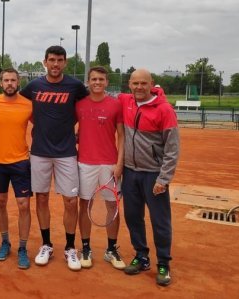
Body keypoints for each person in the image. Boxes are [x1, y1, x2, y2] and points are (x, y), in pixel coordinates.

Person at [19, 45, 88, 271]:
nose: (55, 64)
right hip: (39, 152)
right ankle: (46, 244)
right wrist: (38, 126)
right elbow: (20, 106)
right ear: (45, 62)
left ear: (65, 63)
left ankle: (70, 247)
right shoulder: (34, 86)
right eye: (51, 60)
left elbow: (88, 105)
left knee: (70, 201)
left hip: (67, 152)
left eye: (59, 60)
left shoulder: (75, 86)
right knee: (41, 198)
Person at [118, 69, 179, 286]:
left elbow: (172, 150)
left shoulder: (164, 109)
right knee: (133, 217)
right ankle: (142, 256)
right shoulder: (125, 101)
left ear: (151, 84)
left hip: (153, 174)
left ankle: (163, 262)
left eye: (143, 83)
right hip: (130, 172)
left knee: (160, 221)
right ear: (129, 85)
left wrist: (163, 179)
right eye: (135, 83)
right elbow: (97, 92)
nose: (139, 87)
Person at [0, 68, 33, 269]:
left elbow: (42, 126)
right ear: (0, 83)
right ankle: (5, 242)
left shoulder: (28, 105)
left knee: (23, 205)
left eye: (13, 80)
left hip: (21, 162)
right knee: (0, 202)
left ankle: (23, 247)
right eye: (6, 80)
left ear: (18, 82)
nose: (9, 83)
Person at [75, 66, 125, 270]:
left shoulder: (115, 105)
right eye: (94, 79)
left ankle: (111, 249)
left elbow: (121, 136)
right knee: (84, 205)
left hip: (109, 164)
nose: (97, 82)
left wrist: (119, 163)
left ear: (106, 82)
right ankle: (85, 248)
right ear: (88, 81)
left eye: (101, 79)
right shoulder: (78, 104)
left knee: (112, 207)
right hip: (85, 163)